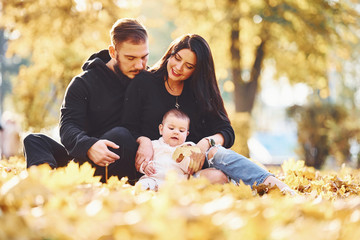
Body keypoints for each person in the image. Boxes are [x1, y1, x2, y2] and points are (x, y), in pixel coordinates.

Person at [122, 34, 294, 190]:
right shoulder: (144, 82)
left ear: (197, 70)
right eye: (177, 58)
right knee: (217, 178)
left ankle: (276, 187)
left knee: (216, 160)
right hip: (156, 168)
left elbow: (227, 131)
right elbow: (127, 125)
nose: (179, 67)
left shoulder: (200, 92)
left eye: (188, 66)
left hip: (192, 169)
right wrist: (143, 140)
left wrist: (204, 144)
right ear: (170, 54)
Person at [23, 18, 149, 183]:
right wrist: (89, 146)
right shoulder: (83, 83)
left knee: (121, 135)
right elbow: (68, 127)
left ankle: (72, 182)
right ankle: (46, 184)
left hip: (128, 160)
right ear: (113, 52)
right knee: (33, 140)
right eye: (131, 58)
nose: (140, 65)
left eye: (144, 57)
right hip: (88, 160)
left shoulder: (148, 81)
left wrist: (144, 140)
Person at [137, 109, 295, 194]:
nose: (176, 133)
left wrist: (188, 159)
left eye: (181, 130)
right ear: (161, 129)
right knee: (143, 185)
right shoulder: (153, 144)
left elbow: (192, 167)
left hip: (181, 181)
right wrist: (145, 167)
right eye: (171, 128)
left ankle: (257, 185)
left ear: (187, 134)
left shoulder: (188, 147)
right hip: (155, 179)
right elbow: (143, 162)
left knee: (208, 178)